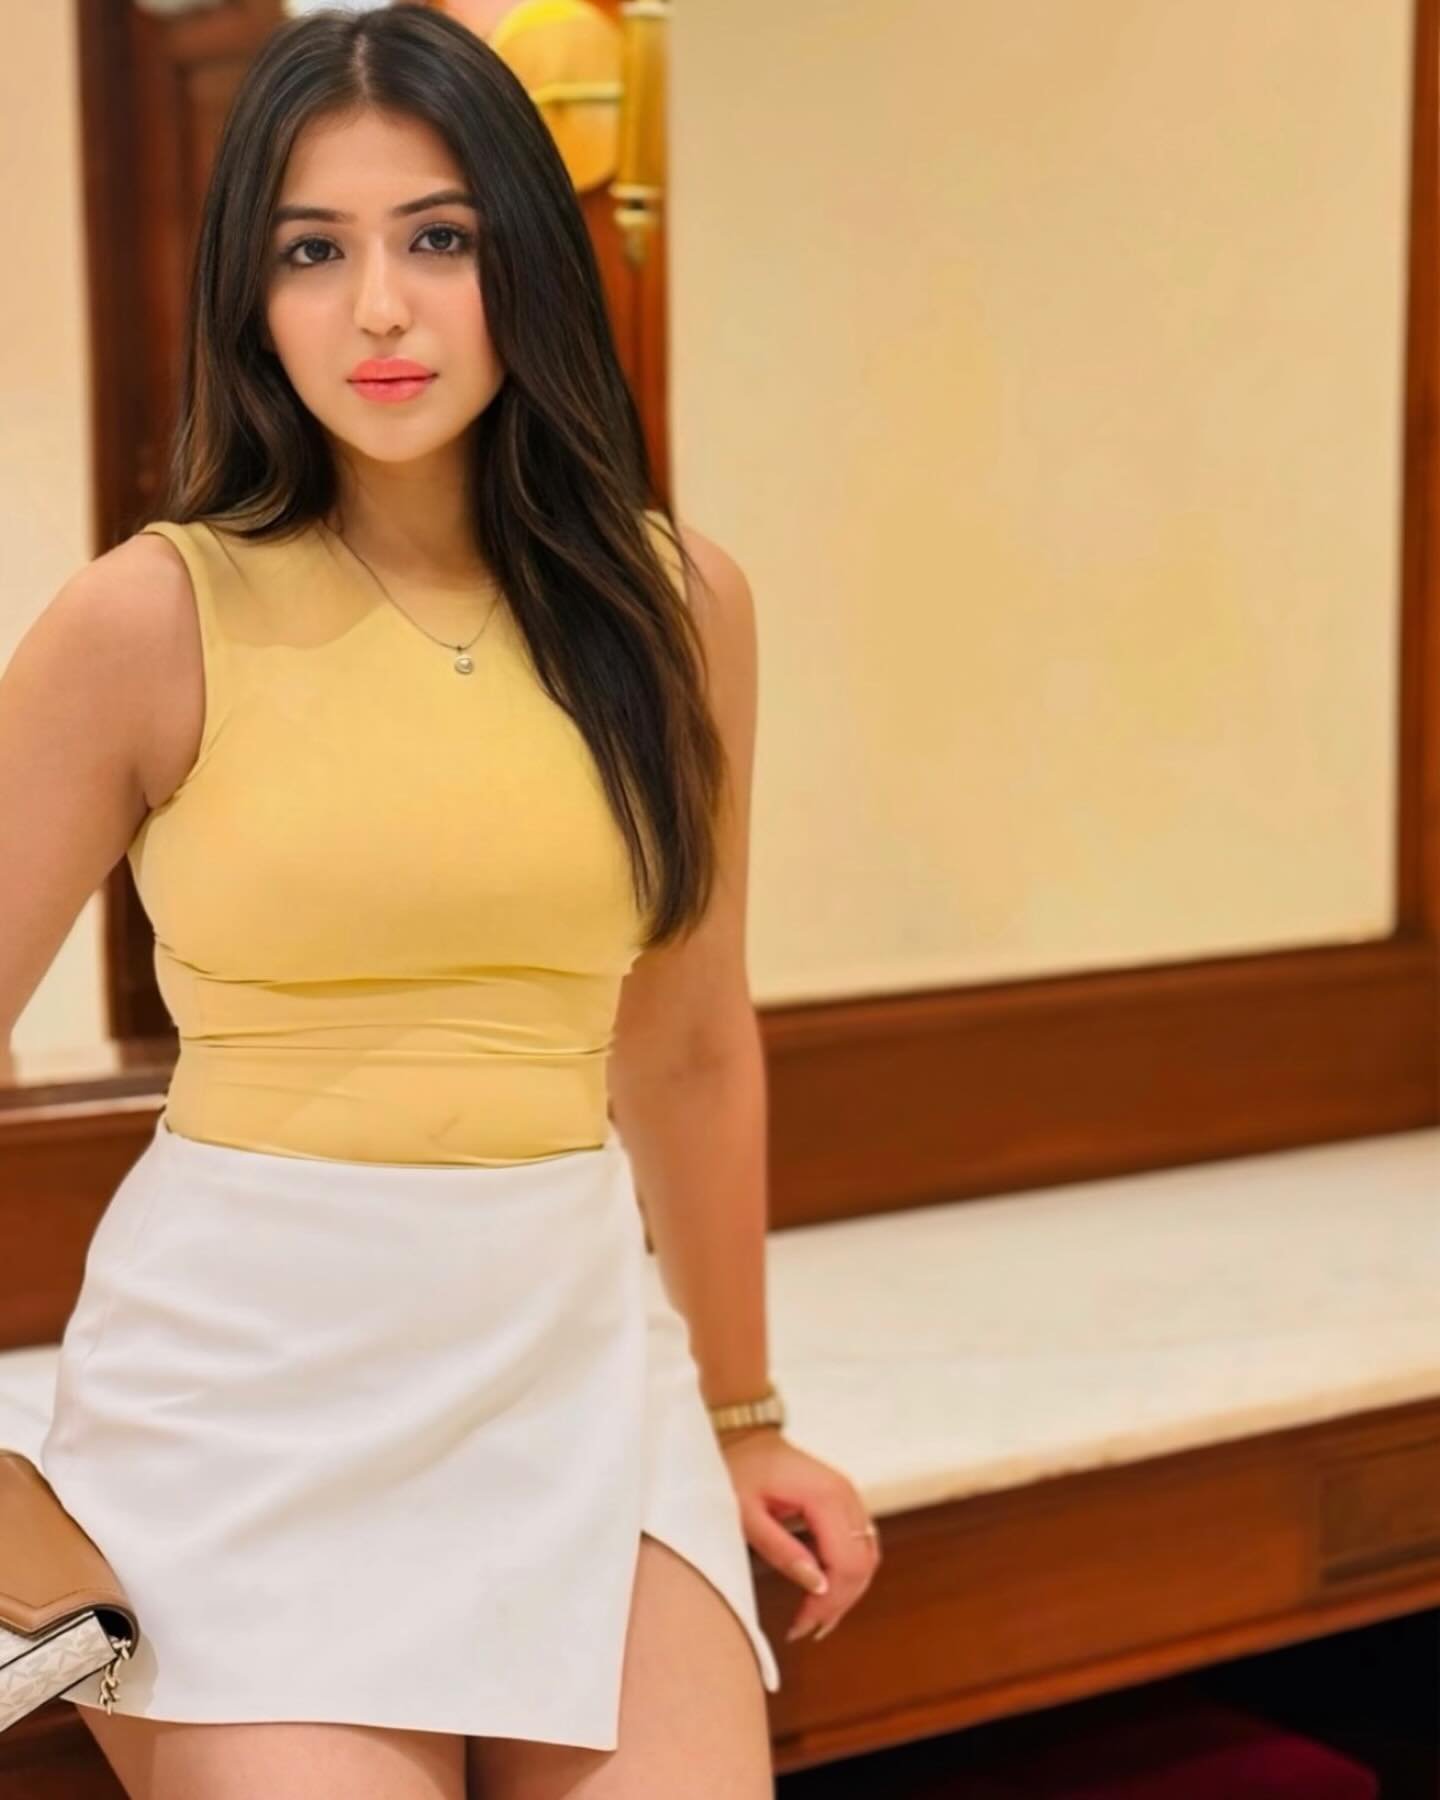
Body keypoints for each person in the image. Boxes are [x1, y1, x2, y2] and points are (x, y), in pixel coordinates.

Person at [0, 6, 880, 1796]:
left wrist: (742, 1417)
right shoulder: (148, 617)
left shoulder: (677, 607)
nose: (380, 309)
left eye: (439, 237)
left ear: (528, 260)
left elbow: (687, 1047)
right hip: (243, 1395)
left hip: (573, 1359)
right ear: (250, 298)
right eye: (312, 252)